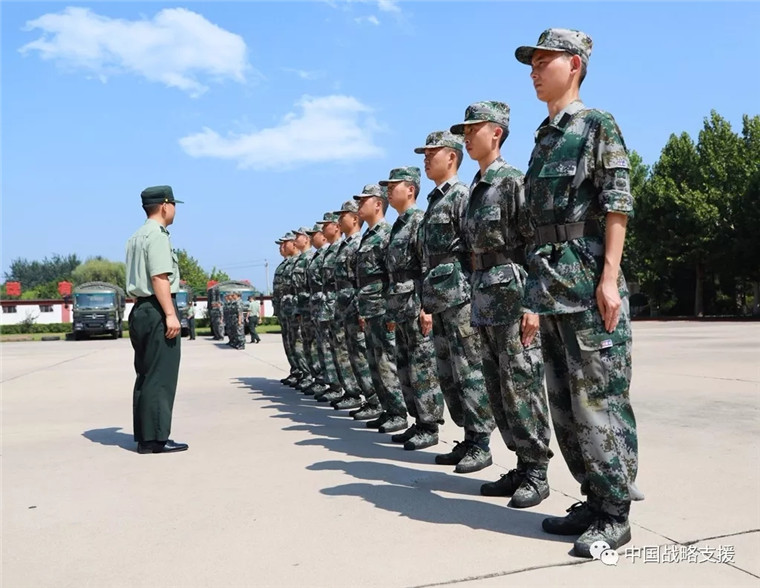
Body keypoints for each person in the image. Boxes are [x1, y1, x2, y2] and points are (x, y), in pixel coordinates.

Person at [515, 28, 643, 555]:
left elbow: (617, 202)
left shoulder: (596, 125)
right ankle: (592, 500)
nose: (534, 71)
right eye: (531, 63)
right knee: (565, 406)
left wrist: (609, 278)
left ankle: (615, 513)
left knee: (599, 403)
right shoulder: (544, 137)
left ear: (574, 64)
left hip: (588, 286)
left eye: (543, 61)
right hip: (551, 288)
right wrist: (531, 295)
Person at [452, 101, 552, 508]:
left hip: (512, 296)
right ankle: (520, 464)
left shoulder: (511, 182)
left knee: (521, 385)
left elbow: (534, 243)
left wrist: (534, 304)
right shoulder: (475, 189)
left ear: (496, 132)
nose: (466, 137)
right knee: (497, 389)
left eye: (472, 129)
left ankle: (537, 470)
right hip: (483, 298)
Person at [414, 130, 496, 474]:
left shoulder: (462, 196)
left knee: (469, 371)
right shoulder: (435, 201)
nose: (425, 159)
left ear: (451, 157)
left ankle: (481, 442)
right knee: (449, 375)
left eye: (431, 153)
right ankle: (467, 437)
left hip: (461, 297)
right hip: (440, 298)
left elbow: (473, 248)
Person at [381, 166, 445, 450]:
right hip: (400, 305)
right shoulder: (398, 224)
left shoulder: (419, 220)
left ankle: (429, 426)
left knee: (422, 367)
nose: (388, 191)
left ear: (410, 189)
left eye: (393, 186)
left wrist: (426, 306)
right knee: (405, 367)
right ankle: (418, 421)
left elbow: (426, 264)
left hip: (415, 302)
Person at [124, 185, 188, 454]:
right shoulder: (157, 236)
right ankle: (156, 438)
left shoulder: (136, 236)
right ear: (164, 206)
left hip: (141, 308)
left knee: (145, 374)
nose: (174, 210)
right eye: (173, 205)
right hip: (157, 308)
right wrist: (170, 314)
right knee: (161, 376)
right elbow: (159, 277)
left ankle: (145, 436)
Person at [353, 184, 408, 434]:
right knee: (374, 362)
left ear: (377, 204)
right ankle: (386, 408)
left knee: (386, 362)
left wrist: (391, 309)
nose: (359, 205)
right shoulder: (368, 235)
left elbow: (391, 274)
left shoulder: (386, 233)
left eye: (363, 201)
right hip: (369, 307)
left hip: (382, 307)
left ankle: (398, 412)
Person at [328, 199, 379, 417]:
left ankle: (374, 400)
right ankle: (357, 394)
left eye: (343, 216)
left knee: (362, 354)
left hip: (357, 306)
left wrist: (361, 309)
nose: (339, 220)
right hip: (345, 307)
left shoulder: (358, 243)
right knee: (350, 353)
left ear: (355, 219)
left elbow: (360, 280)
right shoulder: (345, 245)